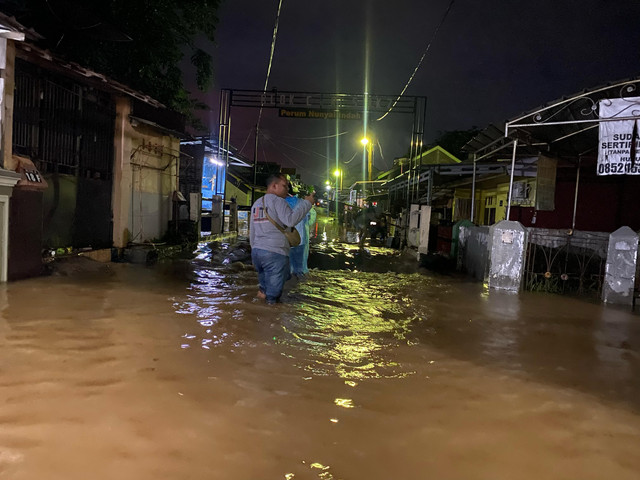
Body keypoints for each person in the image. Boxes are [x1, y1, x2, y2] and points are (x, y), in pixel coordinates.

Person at [250, 174, 315, 304]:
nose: (287, 190)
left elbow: (252, 232)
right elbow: (290, 220)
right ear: (274, 186)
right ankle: (270, 319)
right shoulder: (278, 201)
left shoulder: (256, 204)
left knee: (263, 289)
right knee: (273, 295)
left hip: (257, 252)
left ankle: (255, 310)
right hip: (274, 253)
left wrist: (254, 249)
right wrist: (307, 203)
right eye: (284, 186)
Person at [285, 192, 316, 277]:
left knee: (287, 265)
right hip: (300, 239)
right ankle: (299, 283)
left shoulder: (281, 203)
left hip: (286, 240)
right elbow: (310, 221)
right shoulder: (302, 204)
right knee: (299, 266)